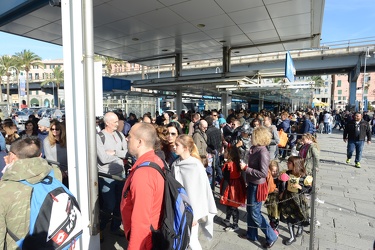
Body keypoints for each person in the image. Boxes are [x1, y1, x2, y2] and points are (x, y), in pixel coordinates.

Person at [0, 136, 62, 249]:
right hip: (53, 241)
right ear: (39, 155)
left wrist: (8, 169)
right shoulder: (55, 173)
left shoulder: (4, 189)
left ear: (12, 156)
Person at [121, 123, 165, 250]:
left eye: (129, 136)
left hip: (146, 242)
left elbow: (141, 221)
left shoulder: (143, 174)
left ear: (140, 142)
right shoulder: (155, 160)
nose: (127, 139)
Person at [172, 134, 217, 250]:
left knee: (192, 240)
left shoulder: (196, 165)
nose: (174, 147)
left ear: (186, 148)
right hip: (179, 208)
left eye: (177, 145)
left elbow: (200, 193)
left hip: (192, 211)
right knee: (182, 239)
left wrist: (194, 215)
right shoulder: (175, 164)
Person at [240, 126, 278, 248]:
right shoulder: (254, 148)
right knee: (250, 210)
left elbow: (262, 173)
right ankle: (252, 234)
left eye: (252, 135)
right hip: (252, 183)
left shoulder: (263, 152)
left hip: (258, 185)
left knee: (255, 213)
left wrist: (246, 168)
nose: (250, 137)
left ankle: (271, 236)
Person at [96, 112, 128, 237]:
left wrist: (114, 152)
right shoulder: (99, 137)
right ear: (107, 122)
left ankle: (114, 227)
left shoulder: (120, 135)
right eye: (115, 121)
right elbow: (103, 158)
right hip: (106, 177)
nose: (117, 123)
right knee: (109, 204)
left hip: (121, 176)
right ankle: (101, 227)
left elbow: (127, 153)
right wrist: (119, 154)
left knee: (120, 205)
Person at [279, 156, 312, 245]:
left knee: (299, 216)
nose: (287, 164)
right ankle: (292, 237)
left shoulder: (303, 177)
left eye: (289, 163)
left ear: (295, 165)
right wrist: (281, 188)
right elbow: (282, 183)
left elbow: (310, 189)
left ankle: (300, 227)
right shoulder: (287, 173)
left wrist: (301, 187)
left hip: (298, 199)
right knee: (288, 217)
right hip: (287, 198)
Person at [220, 146, 246, 232]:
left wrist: (222, 193)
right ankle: (227, 220)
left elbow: (226, 180)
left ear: (230, 154)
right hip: (237, 185)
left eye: (226, 152)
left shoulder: (228, 166)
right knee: (231, 205)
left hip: (231, 187)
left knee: (232, 206)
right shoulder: (237, 162)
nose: (224, 153)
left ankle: (235, 225)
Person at [43, 120, 69, 187]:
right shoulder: (47, 141)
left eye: (57, 129)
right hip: (55, 169)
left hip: (68, 169)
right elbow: (49, 157)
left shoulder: (67, 140)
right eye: (52, 129)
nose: (54, 131)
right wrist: (60, 170)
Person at [264, 160, 285, 233]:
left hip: (276, 200)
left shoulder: (279, 179)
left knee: (275, 214)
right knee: (270, 213)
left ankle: (275, 227)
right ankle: (271, 223)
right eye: (273, 171)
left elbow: (282, 188)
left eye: (276, 171)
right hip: (270, 198)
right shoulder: (269, 177)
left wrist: (280, 191)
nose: (275, 172)